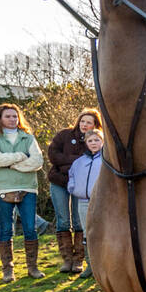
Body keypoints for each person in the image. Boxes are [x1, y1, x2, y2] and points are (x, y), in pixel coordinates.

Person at [0, 103, 46, 282]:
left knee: (30, 228)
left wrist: (10, 164)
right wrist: (20, 157)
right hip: (2, 188)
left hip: (27, 187)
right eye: (8, 116)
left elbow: (37, 161)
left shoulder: (27, 137)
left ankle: (32, 267)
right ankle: (8, 270)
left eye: (14, 116)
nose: (12, 119)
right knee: (5, 229)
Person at [47, 107, 101, 274]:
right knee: (63, 220)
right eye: (82, 121)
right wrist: (75, 161)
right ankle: (67, 259)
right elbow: (53, 155)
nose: (85, 125)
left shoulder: (95, 141)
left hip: (80, 186)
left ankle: (79, 260)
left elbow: (90, 163)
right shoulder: (64, 135)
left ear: (95, 125)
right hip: (59, 182)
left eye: (89, 122)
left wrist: (67, 162)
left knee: (80, 222)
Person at [66, 128, 105, 279]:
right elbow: (72, 177)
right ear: (86, 143)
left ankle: (105, 266)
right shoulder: (79, 162)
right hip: (83, 202)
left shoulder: (106, 160)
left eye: (97, 140)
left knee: (103, 232)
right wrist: (74, 188)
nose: (94, 143)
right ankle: (91, 265)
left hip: (103, 202)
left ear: (102, 142)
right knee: (87, 233)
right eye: (90, 141)